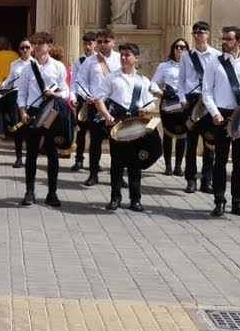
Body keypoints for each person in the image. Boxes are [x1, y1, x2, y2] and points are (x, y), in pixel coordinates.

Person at [201, 26, 240, 217]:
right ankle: (219, 201)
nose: (224, 42)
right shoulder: (214, 63)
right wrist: (214, 113)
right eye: (223, 38)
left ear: (239, 42)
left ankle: (237, 203)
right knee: (220, 160)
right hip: (221, 114)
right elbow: (206, 92)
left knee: (239, 162)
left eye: (228, 39)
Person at [93, 43, 160, 211]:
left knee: (135, 163)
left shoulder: (143, 80)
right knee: (117, 162)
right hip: (117, 124)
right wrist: (107, 116)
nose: (123, 57)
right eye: (122, 54)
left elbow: (151, 103)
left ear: (135, 58)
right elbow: (99, 99)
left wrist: (146, 109)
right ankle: (115, 197)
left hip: (136, 124)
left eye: (127, 55)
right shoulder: (112, 78)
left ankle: (135, 199)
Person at [15, 31, 71, 207]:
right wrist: (22, 112)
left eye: (40, 43)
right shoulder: (27, 68)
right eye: (35, 44)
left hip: (52, 112)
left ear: (49, 46)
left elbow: (66, 90)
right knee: (31, 154)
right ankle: (29, 191)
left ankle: (52, 193)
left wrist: (55, 94)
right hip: (33, 112)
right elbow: (21, 93)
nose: (37, 47)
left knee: (52, 154)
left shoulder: (58, 66)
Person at [176, 21, 220, 194]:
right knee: (192, 143)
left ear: (208, 34)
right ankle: (190, 180)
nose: (197, 35)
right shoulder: (187, 56)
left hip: (209, 102)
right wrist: (182, 98)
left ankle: (206, 181)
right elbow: (181, 80)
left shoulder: (216, 55)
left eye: (201, 32)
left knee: (210, 143)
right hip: (192, 100)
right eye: (194, 32)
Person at [80, 30, 117, 186]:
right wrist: (85, 95)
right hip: (95, 105)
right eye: (100, 41)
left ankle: (118, 175)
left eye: (106, 41)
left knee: (117, 142)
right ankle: (93, 174)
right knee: (95, 142)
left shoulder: (120, 59)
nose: (102, 44)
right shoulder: (90, 61)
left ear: (113, 42)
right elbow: (80, 81)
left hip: (115, 106)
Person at [151, 39, 188, 175]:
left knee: (182, 134)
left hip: (184, 104)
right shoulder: (164, 66)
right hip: (169, 102)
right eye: (177, 47)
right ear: (173, 49)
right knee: (168, 133)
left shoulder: (190, 66)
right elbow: (153, 83)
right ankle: (167, 166)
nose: (179, 49)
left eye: (183, 47)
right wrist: (159, 92)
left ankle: (178, 166)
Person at [70, 32, 98, 172]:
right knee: (81, 132)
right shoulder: (78, 61)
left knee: (96, 134)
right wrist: (73, 97)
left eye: (90, 44)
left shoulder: (100, 60)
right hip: (83, 100)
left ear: (95, 44)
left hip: (98, 101)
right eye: (85, 44)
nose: (87, 46)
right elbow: (74, 81)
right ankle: (79, 159)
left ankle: (96, 162)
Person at [4, 39, 34, 167]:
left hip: (32, 97)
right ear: (19, 49)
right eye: (22, 48)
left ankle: (31, 158)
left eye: (27, 47)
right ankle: (18, 158)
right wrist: (3, 85)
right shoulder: (14, 64)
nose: (25, 50)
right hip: (16, 97)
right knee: (18, 128)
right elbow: (10, 79)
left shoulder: (35, 63)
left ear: (31, 48)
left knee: (31, 129)